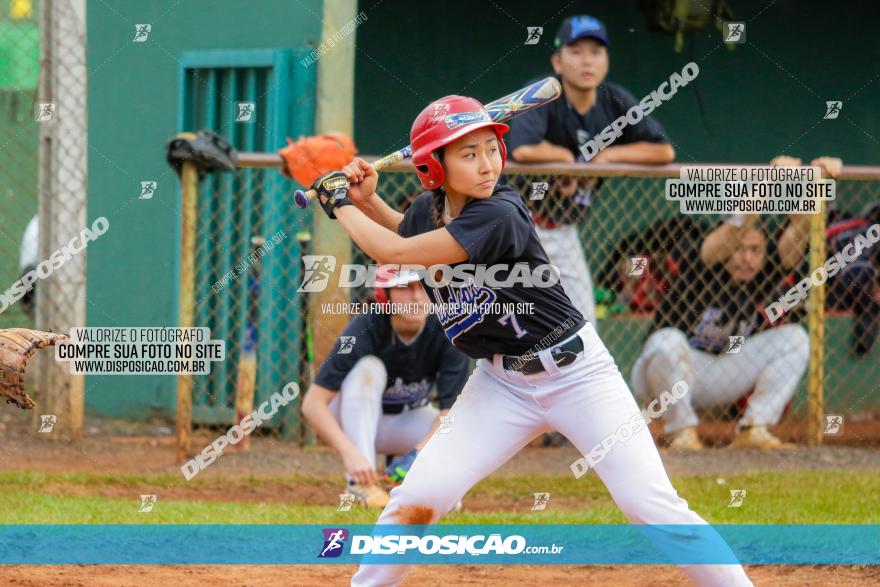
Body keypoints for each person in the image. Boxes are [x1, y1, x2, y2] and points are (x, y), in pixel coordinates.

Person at [305, 95, 752, 586]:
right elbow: (406, 233)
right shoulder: (430, 213)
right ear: (433, 167)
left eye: (490, 149)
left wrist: (339, 203)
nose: (487, 164)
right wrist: (367, 199)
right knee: (415, 500)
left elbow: (395, 251)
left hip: (578, 376)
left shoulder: (501, 213)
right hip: (500, 385)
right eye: (468, 153)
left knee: (651, 505)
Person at [631, 157, 839, 451]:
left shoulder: (762, 271)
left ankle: (754, 428)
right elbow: (734, 230)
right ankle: (683, 432)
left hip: (721, 372)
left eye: (755, 251)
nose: (747, 258)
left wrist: (818, 181)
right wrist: (771, 180)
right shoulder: (702, 260)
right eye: (740, 249)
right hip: (665, 372)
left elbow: (798, 234)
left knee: (795, 338)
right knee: (667, 341)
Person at [507, 14, 675, 324]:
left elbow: (663, 150)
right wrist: (568, 161)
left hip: (564, 230)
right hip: (518, 227)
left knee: (586, 326)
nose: (587, 61)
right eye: (576, 51)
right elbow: (523, 148)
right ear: (558, 62)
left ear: (606, 61)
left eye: (596, 52)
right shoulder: (544, 91)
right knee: (517, 324)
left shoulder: (614, 100)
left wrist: (608, 156)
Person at [300, 266, 470, 507]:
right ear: (385, 294)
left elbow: (448, 414)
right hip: (354, 419)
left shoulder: (448, 330)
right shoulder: (365, 327)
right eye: (405, 287)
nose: (417, 296)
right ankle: (361, 484)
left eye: (424, 286)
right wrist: (350, 453)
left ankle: (411, 481)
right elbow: (312, 405)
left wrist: (416, 455)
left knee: (454, 435)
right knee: (368, 368)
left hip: (405, 420)